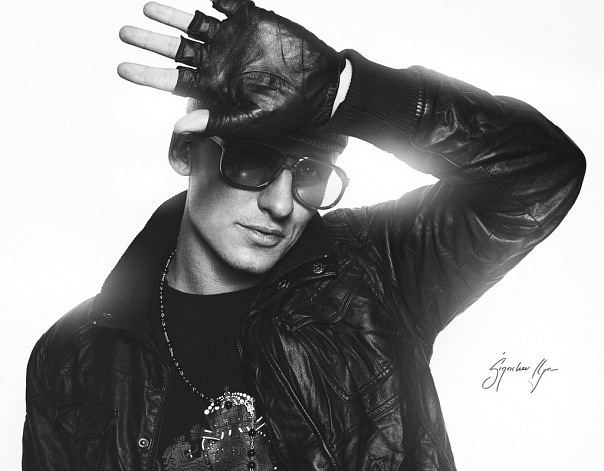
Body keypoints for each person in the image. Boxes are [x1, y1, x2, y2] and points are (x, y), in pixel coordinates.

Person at [22, 1, 585, 470]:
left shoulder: (377, 269)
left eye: (311, 175)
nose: (280, 204)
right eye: (251, 161)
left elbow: (540, 173)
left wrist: (351, 91)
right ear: (184, 151)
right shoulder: (72, 355)